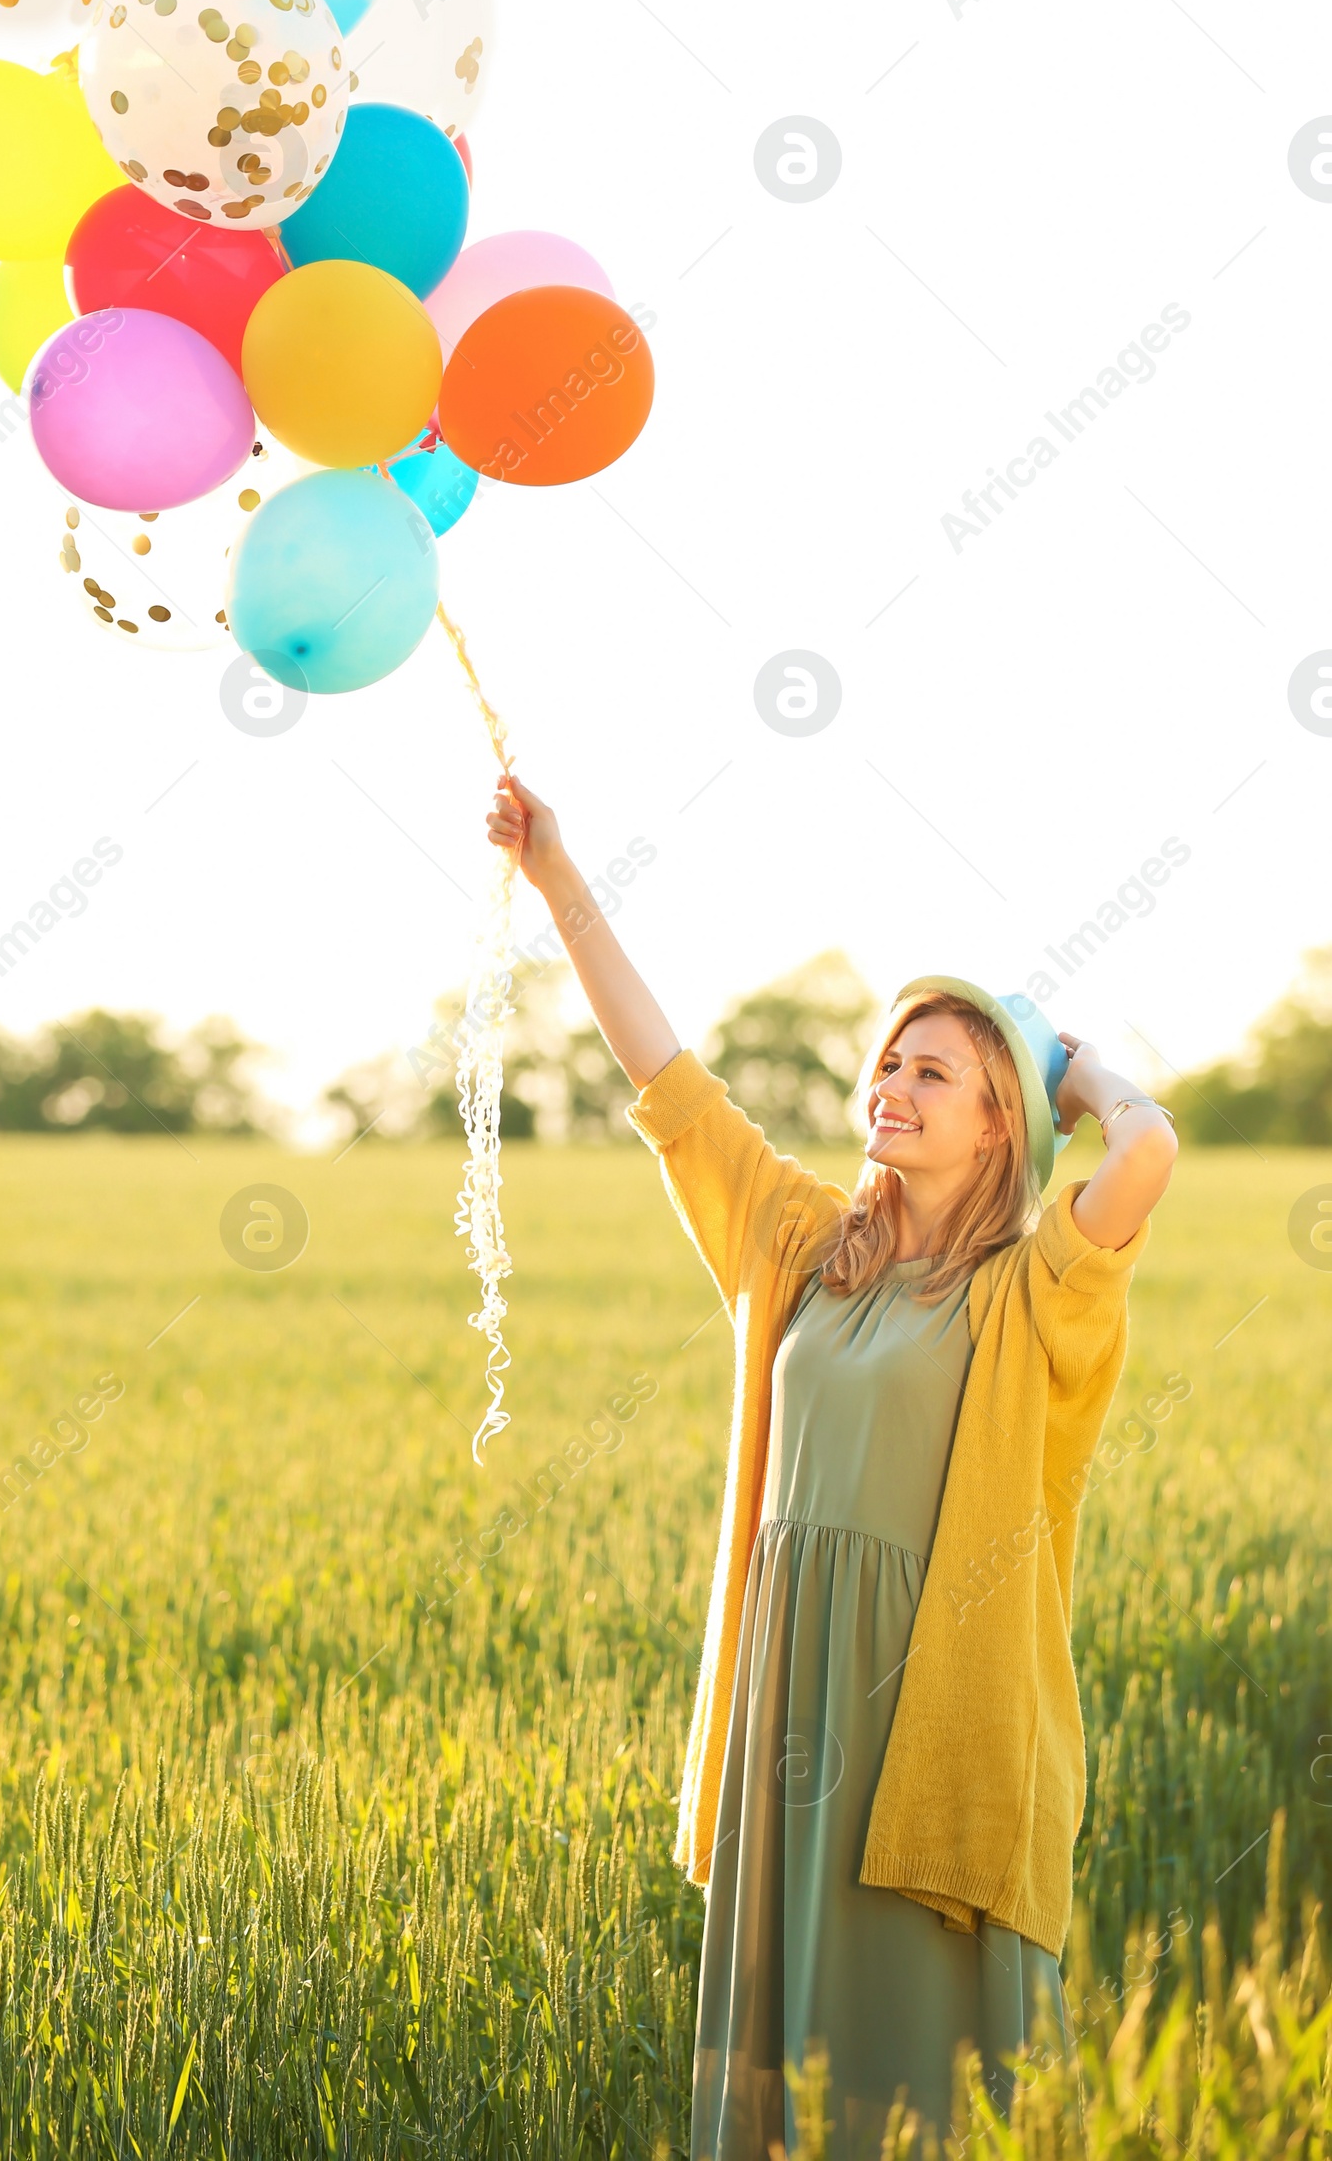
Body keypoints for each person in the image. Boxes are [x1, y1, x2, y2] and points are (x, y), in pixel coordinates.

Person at [486, 772, 1178, 2159]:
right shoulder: (805, 1243)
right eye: (890, 1062)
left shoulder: (1027, 1288)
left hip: (929, 1700)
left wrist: (1080, 1067)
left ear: (1004, 1128)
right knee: (786, 2052)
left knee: (915, 2059)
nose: (894, 1085)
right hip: (787, 1683)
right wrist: (559, 879)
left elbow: (1146, 1151)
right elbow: (666, 1080)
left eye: (937, 1072)